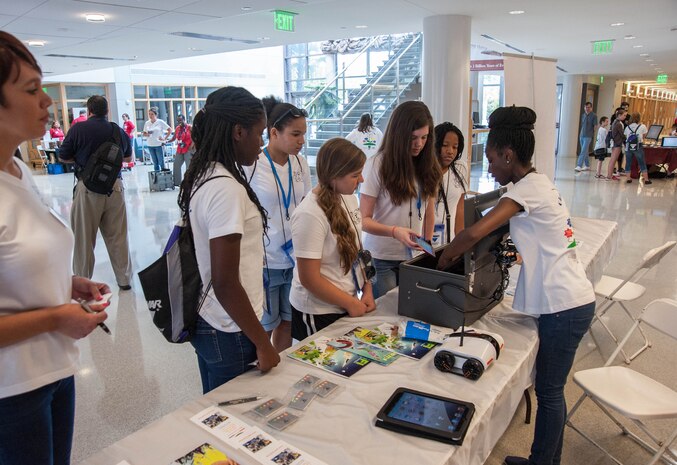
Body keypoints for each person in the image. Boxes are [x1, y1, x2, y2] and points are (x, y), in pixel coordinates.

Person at [437, 105, 595, 465]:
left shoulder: (523, 192)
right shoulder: (537, 184)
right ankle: (546, 461)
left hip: (564, 305)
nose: (489, 168)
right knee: (551, 390)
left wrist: (444, 260)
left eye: (491, 159)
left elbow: (477, 231)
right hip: (569, 299)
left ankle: (542, 462)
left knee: (550, 392)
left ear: (508, 155)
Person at [0, 30, 110, 465]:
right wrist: (53, 317)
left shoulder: (16, 169)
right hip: (10, 390)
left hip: (52, 369)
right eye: (31, 90)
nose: (47, 101)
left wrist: (66, 284)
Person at [178, 86, 280, 393]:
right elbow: (225, 281)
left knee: (217, 415)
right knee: (236, 419)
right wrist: (263, 343)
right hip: (230, 327)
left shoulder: (205, 173)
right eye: (259, 134)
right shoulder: (226, 190)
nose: (262, 144)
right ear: (238, 132)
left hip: (211, 317)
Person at [289, 138, 376, 339]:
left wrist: (367, 288)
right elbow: (309, 279)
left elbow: (359, 250)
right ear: (334, 176)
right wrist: (350, 302)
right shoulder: (310, 214)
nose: (361, 180)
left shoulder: (349, 197)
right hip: (319, 310)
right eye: (355, 175)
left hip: (347, 300)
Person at [244, 97, 311, 352]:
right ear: (274, 132)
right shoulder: (253, 164)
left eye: (303, 134)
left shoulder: (300, 163)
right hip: (266, 260)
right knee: (265, 326)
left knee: (287, 321)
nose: (301, 141)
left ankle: (279, 367)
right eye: (295, 134)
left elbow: (305, 203)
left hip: (294, 259)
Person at [360, 100, 441, 298]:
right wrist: (395, 232)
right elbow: (363, 220)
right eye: (413, 138)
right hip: (381, 258)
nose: (419, 144)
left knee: (410, 309)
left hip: (414, 256)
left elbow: (429, 212)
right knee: (385, 316)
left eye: (424, 137)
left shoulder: (427, 165)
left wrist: (426, 246)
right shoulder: (377, 165)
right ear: (399, 135)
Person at [59, 95, 134, 290]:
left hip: (88, 189)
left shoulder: (78, 129)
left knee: (84, 239)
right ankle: (124, 280)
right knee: (118, 237)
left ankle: (83, 282)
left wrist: (82, 158)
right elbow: (128, 157)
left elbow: (63, 156)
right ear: (107, 110)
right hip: (115, 188)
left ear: (89, 111)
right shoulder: (116, 130)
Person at [432, 122, 466, 246]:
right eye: (445, 145)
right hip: (424, 244)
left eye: (455, 147)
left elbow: (460, 208)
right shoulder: (423, 171)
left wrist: (459, 242)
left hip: (449, 242)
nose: (450, 151)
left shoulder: (460, 168)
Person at [624, 112, 651, 185]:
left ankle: (628, 179)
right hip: (638, 146)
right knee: (642, 162)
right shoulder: (642, 126)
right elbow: (644, 136)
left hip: (628, 147)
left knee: (628, 163)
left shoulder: (627, 127)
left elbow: (626, 136)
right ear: (639, 118)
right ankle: (646, 180)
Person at [143, 107, 171, 171]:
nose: (150, 116)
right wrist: (147, 134)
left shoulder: (160, 122)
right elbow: (144, 133)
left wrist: (164, 138)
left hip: (158, 144)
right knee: (155, 163)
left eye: (152, 114)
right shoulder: (147, 123)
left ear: (156, 115)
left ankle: (164, 175)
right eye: (149, 114)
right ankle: (157, 176)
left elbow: (170, 130)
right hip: (150, 144)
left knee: (161, 161)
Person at [168, 114, 193, 187]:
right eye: (178, 121)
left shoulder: (189, 127)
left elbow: (195, 137)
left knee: (189, 166)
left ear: (184, 120)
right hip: (180, 149)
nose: (179, 122)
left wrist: (192, 146)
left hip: (188, 149)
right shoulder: (177, 128)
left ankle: (189, 182)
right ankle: (177, 182)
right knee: (176, 165)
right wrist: (166, 141)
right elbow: (174, 138)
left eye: (181, 120)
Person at [575, 102, 596, 171]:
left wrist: (592, 134)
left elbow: (595, 126)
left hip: (588, 136)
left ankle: (579, 165)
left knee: (583, 151)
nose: (587, 109)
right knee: (585, 151)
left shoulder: (594, 116)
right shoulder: (583, 115)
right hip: (582, 135)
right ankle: (587, 165)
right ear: (584, 108)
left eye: (589, 107)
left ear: (591, 108)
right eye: (586, 107)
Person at [607, 108, 626, 181]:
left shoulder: (615, 122)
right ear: (619, 115)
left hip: (615, 143)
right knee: (613, 160)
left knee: (612, 160)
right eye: (624, 115)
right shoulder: (618, 124)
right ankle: (609, 176)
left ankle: (610, 175)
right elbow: (622, 135)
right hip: (617, 143)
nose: (625, 117)